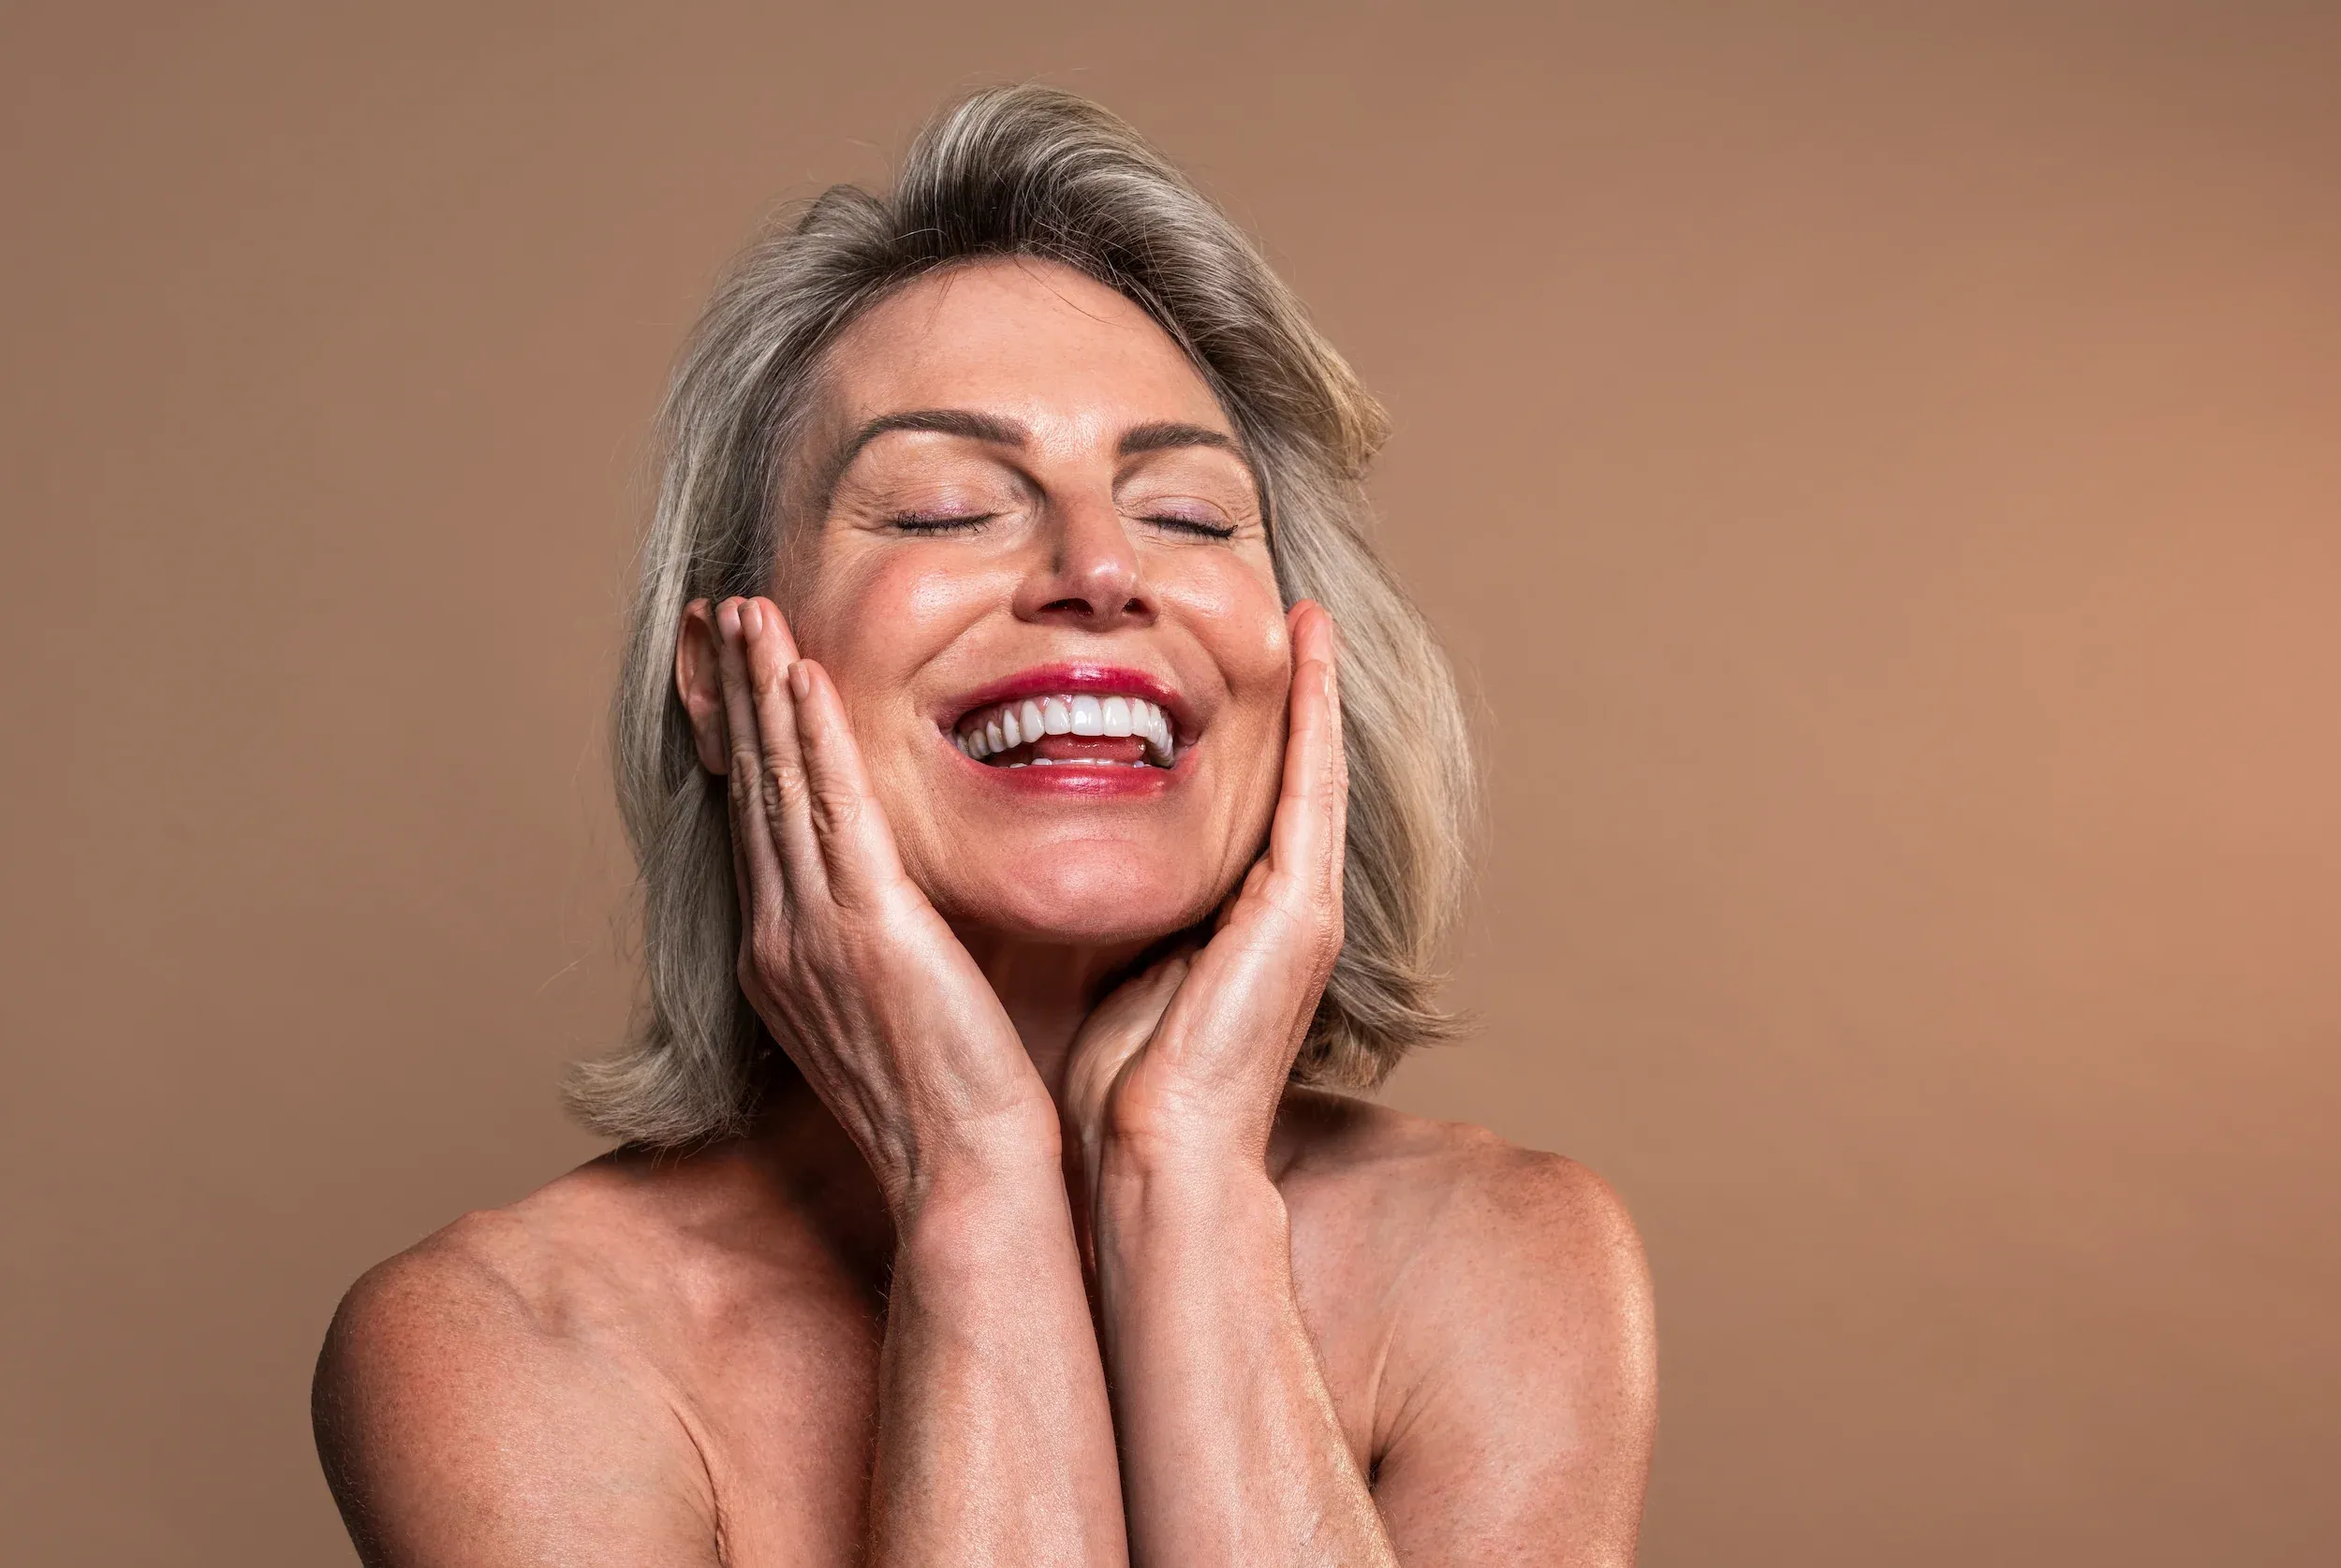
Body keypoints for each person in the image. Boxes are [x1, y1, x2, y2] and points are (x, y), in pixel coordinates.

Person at [312, 84, 1656, 1566]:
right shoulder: (502, 1348)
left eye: (1193, 518)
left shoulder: (1507, 1259)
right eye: (948, 506)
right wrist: (972, 1170)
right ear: (721, 681)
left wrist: (1185, 1183)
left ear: (1294, 651)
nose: (1098, 568)